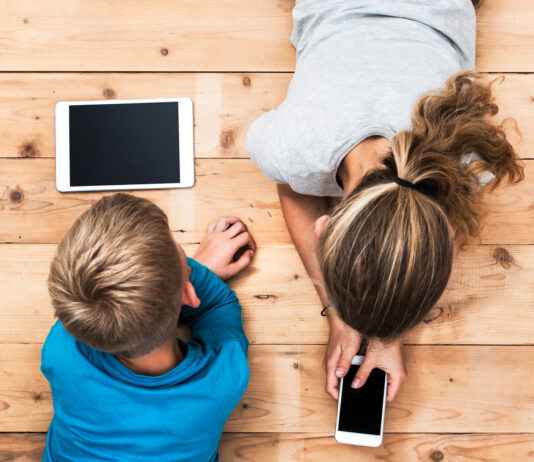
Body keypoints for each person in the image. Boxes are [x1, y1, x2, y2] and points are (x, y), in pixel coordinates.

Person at [246, 0, 524, 402]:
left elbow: (293, 185)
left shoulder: (467, 160)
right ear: (322, 228)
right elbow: (292, 183)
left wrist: (379, 326)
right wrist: (349, 317)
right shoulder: (293, 147)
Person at [41, 193, 256, 461]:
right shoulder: (224, 376)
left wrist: (173, 275)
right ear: (189, 297)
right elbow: (219, 306)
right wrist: (188, 272)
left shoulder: (61, 350)